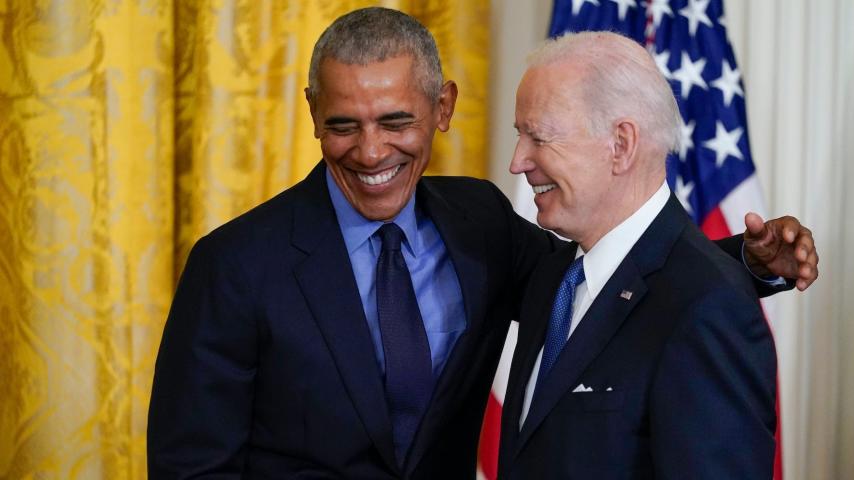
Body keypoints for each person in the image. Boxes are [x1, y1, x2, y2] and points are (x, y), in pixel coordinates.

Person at [147, 7, 818, 479]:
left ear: (442, 109)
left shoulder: (481, 224)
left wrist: (743, 266)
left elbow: (612, 279)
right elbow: (190, 469)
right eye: (343, 125)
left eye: (397, 120)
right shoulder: (233, 265)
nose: (371, 150)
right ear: (314, 115)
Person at [497, 31, 779, 479]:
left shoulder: (708, 306)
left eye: (540, 137)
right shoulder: (552, 278)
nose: (518, 162)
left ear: (621, 145)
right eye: (520, 135)